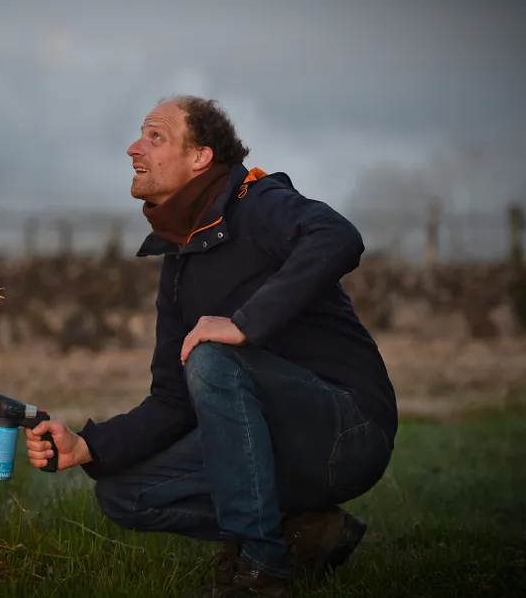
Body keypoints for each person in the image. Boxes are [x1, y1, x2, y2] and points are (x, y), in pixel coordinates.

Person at [25, 96, 398, 597]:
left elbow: (338, 235)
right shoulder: (180, 262)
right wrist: (89, 446)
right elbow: (174, 402)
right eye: (141, 135)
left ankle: (262, 573)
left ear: (201, 157)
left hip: (347, 432)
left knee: (212, 355)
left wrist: (245, 324)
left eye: (155, 137)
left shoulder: (258, 203)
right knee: (125, 494)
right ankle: (306, 532)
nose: (134, 148)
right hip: (273, 445)